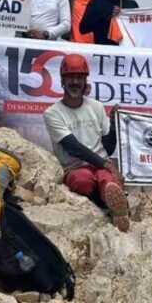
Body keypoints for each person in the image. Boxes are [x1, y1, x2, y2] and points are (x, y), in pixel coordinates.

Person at [42, 53, 130, 232]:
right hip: (76, 167)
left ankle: (116, 208)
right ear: (62, 81)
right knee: (82, 181)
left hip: (102, 167)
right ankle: (109, 204)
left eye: (79, 77)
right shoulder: (52, 113)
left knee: (107, 179)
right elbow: (73, 148)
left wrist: (113, 126)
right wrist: (108, 164)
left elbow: (108, 147)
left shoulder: (96, 107)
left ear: (85, 81)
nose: (75, 82)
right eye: (71, 77)